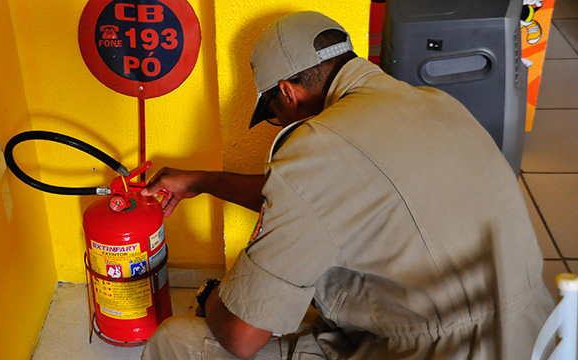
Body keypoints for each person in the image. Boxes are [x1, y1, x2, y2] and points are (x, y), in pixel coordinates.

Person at [140, 11, 553, 360]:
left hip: (440, 350)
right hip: (536, 334)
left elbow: (241, 337)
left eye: (272, 113)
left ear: (287, 92)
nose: (279, 123)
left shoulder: (316, 146)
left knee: (175, 340)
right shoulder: (433, 103)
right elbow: (315, 194)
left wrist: (216, 298)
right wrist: (203, 181)